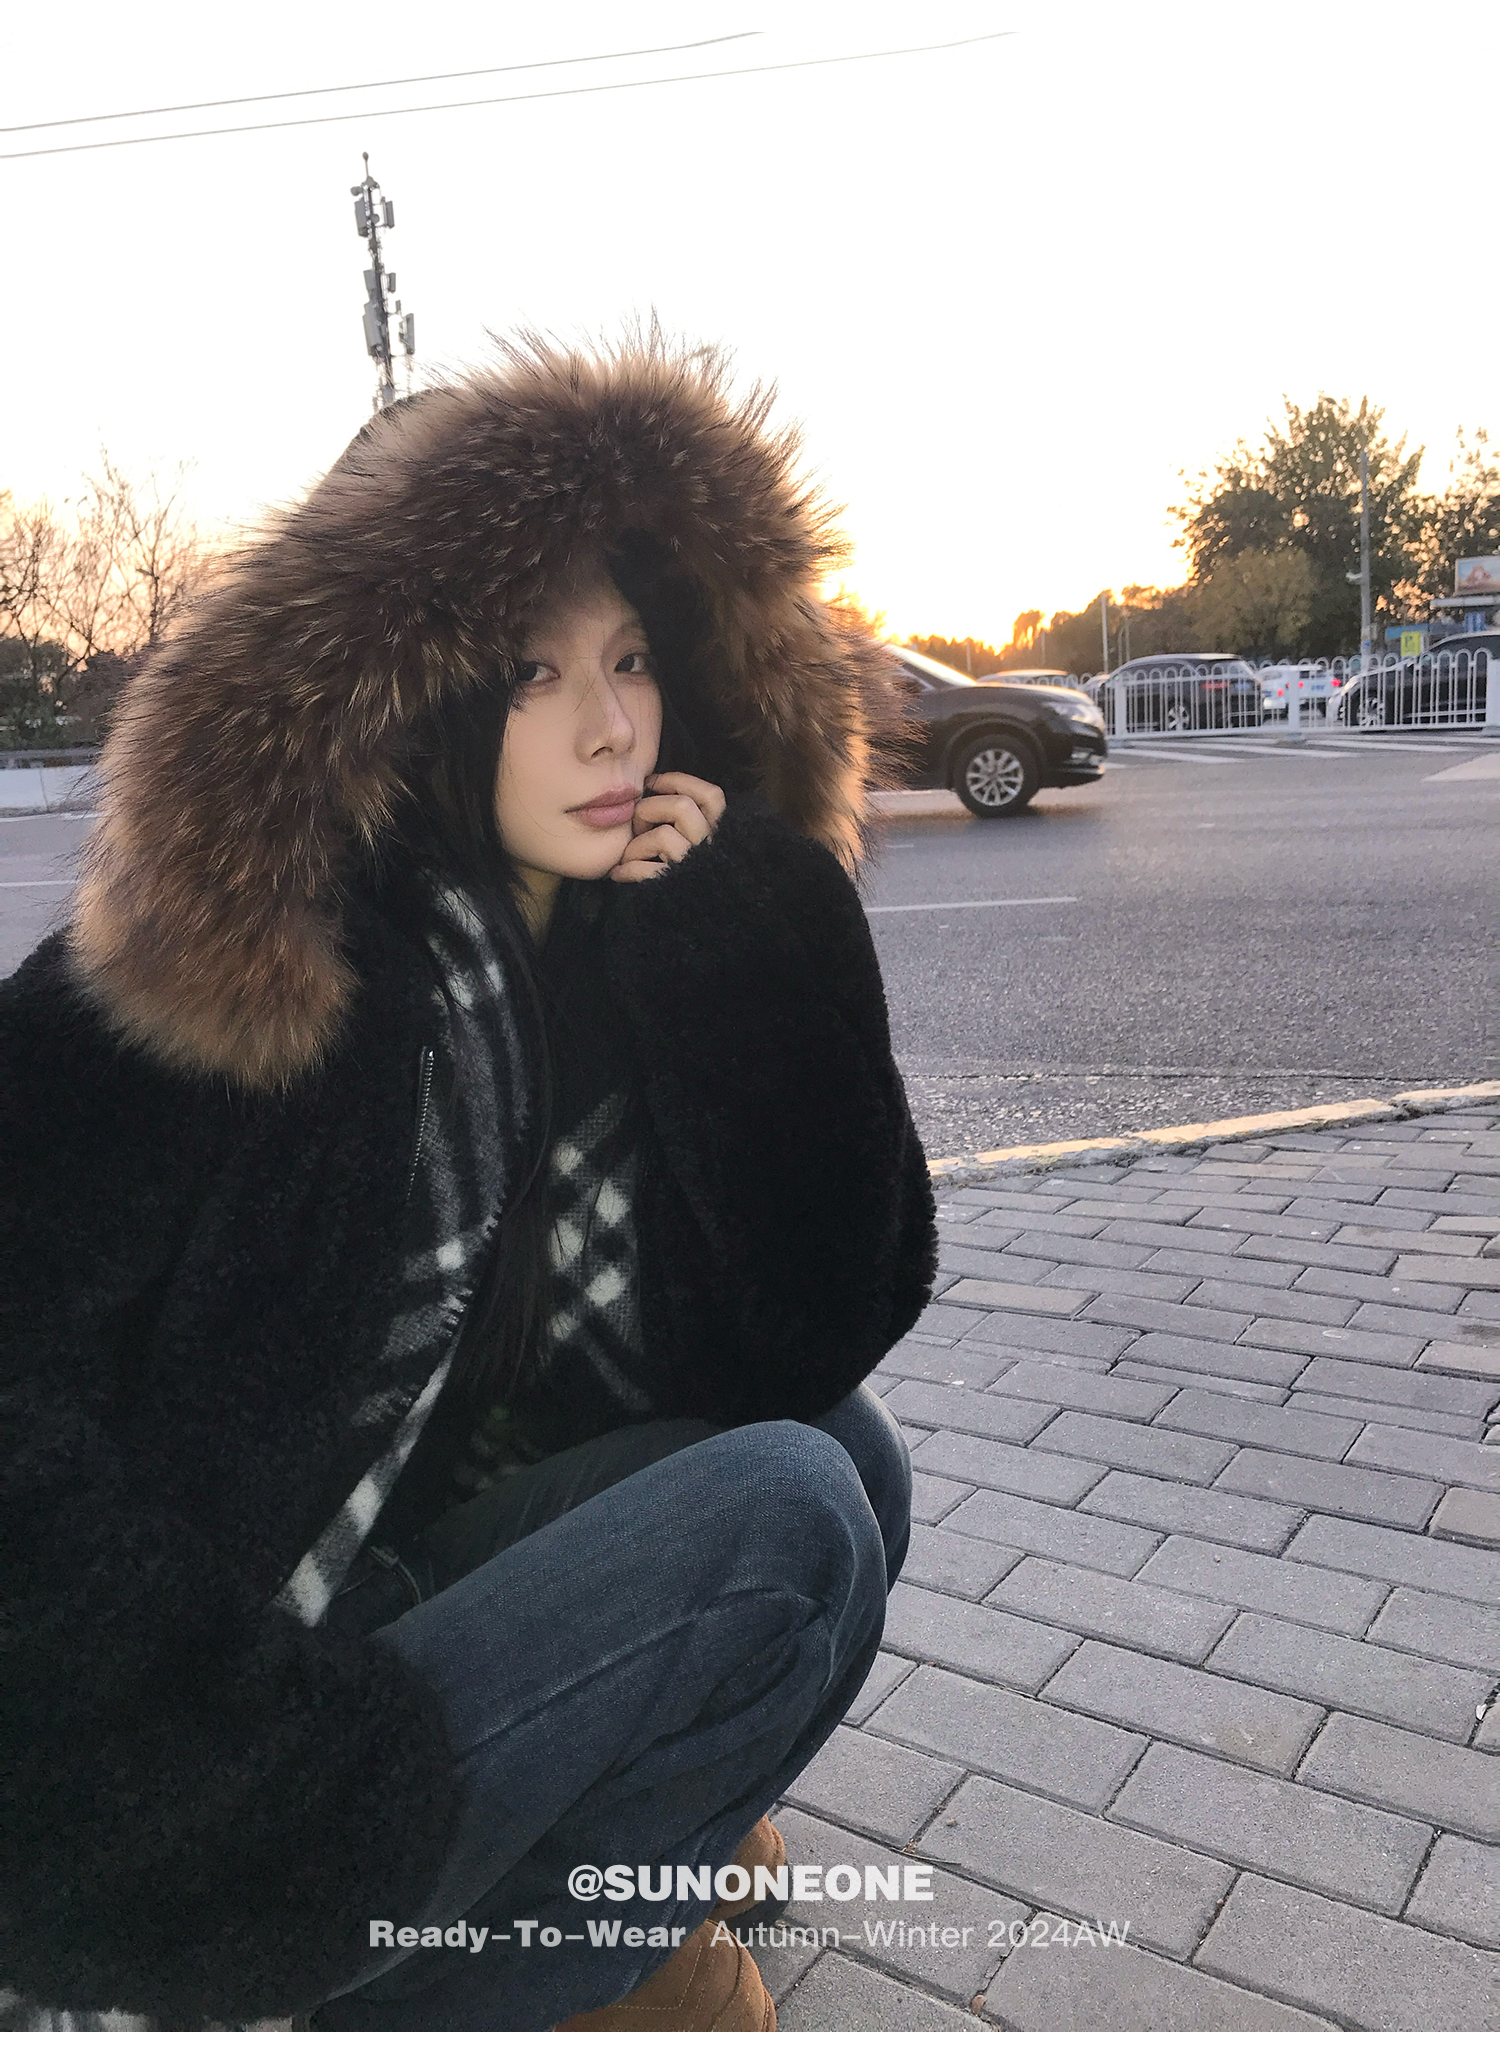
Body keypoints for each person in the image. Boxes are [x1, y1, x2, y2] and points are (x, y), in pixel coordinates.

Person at [0, 334, 937, 2032]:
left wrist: (749, 940)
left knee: (844, 1458)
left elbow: (818, 1324)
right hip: (216, 1747)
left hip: (391, 1593)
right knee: (790, 1522)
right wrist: (223, 1780)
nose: (610, 724)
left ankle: (586, 1918)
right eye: (528, 673)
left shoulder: (624, 932)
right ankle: (464, 1984)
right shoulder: (234, 962)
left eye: (633, 659)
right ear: (414, 697)